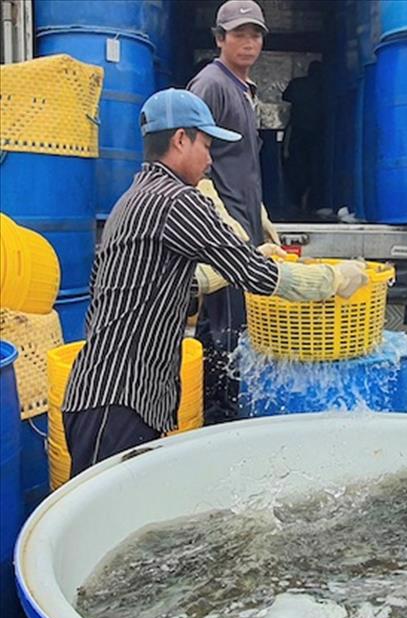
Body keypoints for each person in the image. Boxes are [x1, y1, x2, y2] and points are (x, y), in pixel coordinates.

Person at [61, 89, 368, 475]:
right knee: (101, 527)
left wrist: (250, 258)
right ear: (179, 140)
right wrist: (334, 279)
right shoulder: (176, 201)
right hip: (117, 402)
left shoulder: (134, 199)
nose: (210, 160)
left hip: (107, 396)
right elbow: (257, 277)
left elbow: (167, 286)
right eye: (206, 145)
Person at [187, 0, 279, 425]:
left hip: (243, 225)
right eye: (238, 33)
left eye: (255, 33)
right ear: (219, 38)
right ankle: (218, 420)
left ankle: (225, 409)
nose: (248, 42)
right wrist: (222, 218)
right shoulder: (211, 84)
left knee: (232, 323)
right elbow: (190, 154)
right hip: (222, 233)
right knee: (225, 329)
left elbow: (239, 161)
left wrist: (259, 215)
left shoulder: (244, 88)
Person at [282, 60, 325, 211]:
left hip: (297, 129)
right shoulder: (323, 87)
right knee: (314, 165)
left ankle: (296, 200)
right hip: (317, 132)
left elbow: (284, 97)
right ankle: (310, 200)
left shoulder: (298, 84)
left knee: (294, 163)